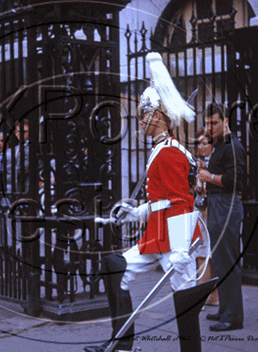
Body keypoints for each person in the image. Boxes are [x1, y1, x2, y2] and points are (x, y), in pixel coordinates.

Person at [84, 52, 200, 352]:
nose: (139, 120)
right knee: (115, 266)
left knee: (185, 305)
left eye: (143, 114)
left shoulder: (170, 152)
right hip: (157, 235)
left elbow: (181, 202)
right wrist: (135, 213)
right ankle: (121, 346)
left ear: (157, 116)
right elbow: (160, 202)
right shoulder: (161, 149)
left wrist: (181, 249)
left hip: (176, 240)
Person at [198, 102, 246, 332]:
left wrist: (209, 177)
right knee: (219, 261)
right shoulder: (219, 146)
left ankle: (233, 316)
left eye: (214, 123)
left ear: (225, 121)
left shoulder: (233, 146)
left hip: (226, 206)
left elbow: (235, 181)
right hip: (218, 205)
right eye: (207, 123)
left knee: (228, 262)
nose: (210, 127)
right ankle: (225, 309)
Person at [194, 128, 219, 307]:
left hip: (210, 213)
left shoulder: (214, 165)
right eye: (198, 143)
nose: (201, 146)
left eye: (204, 143)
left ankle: (203, 295)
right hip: (200, 212)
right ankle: (211, 294)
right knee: (203, 254)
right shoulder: (200, 164)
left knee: (207, 254)